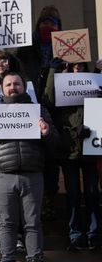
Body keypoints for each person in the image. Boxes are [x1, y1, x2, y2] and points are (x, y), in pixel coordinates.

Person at [0, 70, 59, 262]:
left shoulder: (39, 110)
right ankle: (7, 260)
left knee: (33, 222)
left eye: (17, 84)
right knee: (6, 223)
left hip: (33, 174)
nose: (13, 88)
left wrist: (46, 132)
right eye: (9, 85)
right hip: (3, 175)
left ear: (24, 87)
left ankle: (35, 259)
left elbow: (55, 142)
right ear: (2, 89)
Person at [43, 60, 101, 251]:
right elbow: (48, 100)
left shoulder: (93, 83)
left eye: (81, 66)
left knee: (92, 193)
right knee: (73, 194)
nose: (77, 69)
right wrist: (53, 70)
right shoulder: (61, 87)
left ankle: (94, 234)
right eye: (73, 66)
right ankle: (75, 234)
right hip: (68, 151)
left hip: (92, 148)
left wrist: (99, 72)